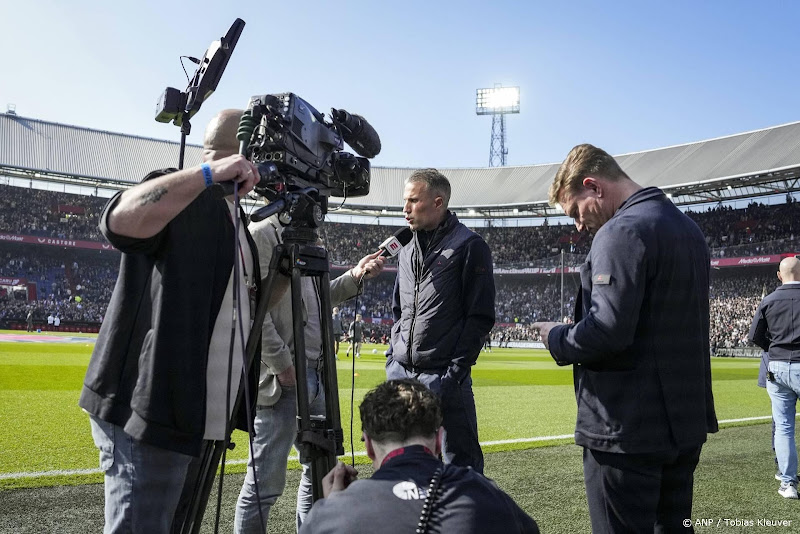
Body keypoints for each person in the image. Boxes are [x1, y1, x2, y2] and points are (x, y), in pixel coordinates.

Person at [78, 109, 271, 533]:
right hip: (149, 414)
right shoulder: (185, 191)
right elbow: (117, 221)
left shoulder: (235, 217)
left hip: (195, 419)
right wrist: (207, 174)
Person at [532, 144, 718, 532]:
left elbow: (607, 330)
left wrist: (557, 337)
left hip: (627, 429)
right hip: (684, 424)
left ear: (593, 186)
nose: (578, 226)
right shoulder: (688, 229)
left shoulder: (620, 231)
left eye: (575, 211)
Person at [235, 214, 385, 533]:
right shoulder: (263, 233)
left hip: (316, 375)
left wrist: (355, 275)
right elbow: (251, 308)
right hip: (284, 379)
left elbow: (318, 299)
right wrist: (282, 365)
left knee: (317, 472)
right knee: (264, 484)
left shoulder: (308, 235)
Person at [299, 379, 539, 534]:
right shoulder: (486, 494)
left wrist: (334, 508)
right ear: (439, 440)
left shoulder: (328, 517)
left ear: (369, 446)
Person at [386, 168, 495, 474]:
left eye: (413, 201)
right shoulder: (405, 247)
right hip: (402, 375)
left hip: (444, 379)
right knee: (411, 469)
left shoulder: (469, 245)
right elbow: (398, 308)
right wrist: (393, 358)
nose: (405, 209)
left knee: (460, 472)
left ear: (438, 202)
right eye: (404, 201)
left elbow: (480, 317)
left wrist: (453, 375)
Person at [748, 255, 800, 499]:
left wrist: (775, 347)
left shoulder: (768, 300)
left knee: (784, 427)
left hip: (777, 367)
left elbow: (755, 336)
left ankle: (788, 483)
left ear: (779, 276)